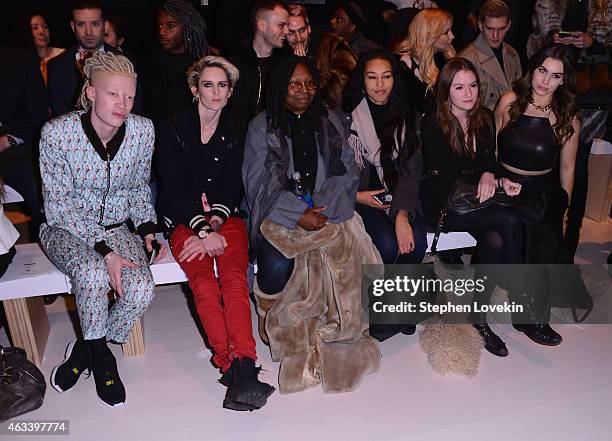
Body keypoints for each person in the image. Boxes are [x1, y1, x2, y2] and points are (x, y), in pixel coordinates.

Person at [243, 57, 381, 393]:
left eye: (309, 83)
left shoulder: (329, 119)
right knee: (276, 265)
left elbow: (348, 170)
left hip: (326, 210)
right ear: (280, 87)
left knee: (354, 256)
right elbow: (258, 181)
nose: (303, 91)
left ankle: (333, 324)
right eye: (294, 84)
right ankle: (271, 317)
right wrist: (297, 213)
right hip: (278, 215)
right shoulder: (262, 126)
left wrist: (325, 207)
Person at [40, 52, 166, 407]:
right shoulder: (57, 134)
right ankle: (105, 359)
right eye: (113, 94)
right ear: (92, 92)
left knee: (142, 289)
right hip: (65, 228)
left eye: (129, 95)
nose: (122, 104)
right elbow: (59, 206)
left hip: (116, 228)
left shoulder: (142, 130)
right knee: (93, 274)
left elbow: (139, 188)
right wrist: (106, 254)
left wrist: (147, 229)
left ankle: (87, 349)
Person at [156, 56, 275, 411]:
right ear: (195, 89)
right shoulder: (173, 126)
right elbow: (174, 187)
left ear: (231, 91)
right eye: (207, 84)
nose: (215, 91)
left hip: (226, 220)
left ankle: (241, 366)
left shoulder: (238, 127)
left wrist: (216, 225)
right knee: (205, 285)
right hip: (182, 222)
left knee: (235, 281)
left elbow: (232, 185)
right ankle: (234, 365)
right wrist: (202, 229)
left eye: (222, 85)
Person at [420, 57, 523, 356]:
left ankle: (478, 317)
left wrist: (495, 177)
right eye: (459, 87)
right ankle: (521, 295)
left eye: (473, 85)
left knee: (495, 238)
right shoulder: (432, 122)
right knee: (508, 219)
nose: (469, 93)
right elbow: (452, 172)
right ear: (446, 91)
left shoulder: (485, 118)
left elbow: (487, 160)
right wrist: (489, 178)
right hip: (444, 205)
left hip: (474, 199)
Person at [494, 45, 580, 345]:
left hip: (542, 190)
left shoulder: (567, 118)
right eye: (542, 71)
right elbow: (492, 150)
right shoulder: (509, 102)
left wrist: (564, 211)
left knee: (545, 237)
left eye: (555, 76)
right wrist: (497, 180)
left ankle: (531, 316)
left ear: (563, 81)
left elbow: (567, 168)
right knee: (523, 232)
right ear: (533, 68)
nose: (545, 81)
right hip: (505, 184)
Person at [526, 0, 611, 262]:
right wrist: (552, 41)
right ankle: (541, 245)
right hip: (552, 91)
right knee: (546, 170)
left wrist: (592, 44)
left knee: (578, 174)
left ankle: (567, 248)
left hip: (591, 99)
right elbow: (531, 46)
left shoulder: (606, 5)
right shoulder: (547, 2)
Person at [342, 50, 427, 266]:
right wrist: (358, 196)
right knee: (387, 246)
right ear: (362, 80)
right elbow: (334, 173)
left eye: (386, 76)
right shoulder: (344, 118)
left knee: (415, 244)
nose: (380, 84)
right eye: (372, 77)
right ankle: (377, 297)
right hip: (360, 197)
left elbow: (412, 171)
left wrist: (401, 214)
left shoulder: (408, 115)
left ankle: (404, 298)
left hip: (401, 193)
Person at [47, 0, 140, 117]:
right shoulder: (57, 66)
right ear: (72, 26)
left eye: (95, 24)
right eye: (81, 24)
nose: (88, 32)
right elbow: (59, 117)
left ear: (105, 26)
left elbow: (135, 112)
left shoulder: (127, 63)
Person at [0, 46, 49, 241]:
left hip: (14, 150)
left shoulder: (20, 60)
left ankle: (48, 245)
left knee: (38, 191)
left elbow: (39, 119)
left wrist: (8, 141)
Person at [141, 0, 210, 125]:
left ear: (187, 27)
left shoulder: (202, 65)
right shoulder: (149, 62)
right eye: (160, 26)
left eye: (170, 26)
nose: (162, 32)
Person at [230, 0, 289, 124]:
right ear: (262, 26)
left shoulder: (286, 63)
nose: (287, 31)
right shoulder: (234, 63)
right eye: (281, 25)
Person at [459, 0, 522, 110]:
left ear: (508, 25)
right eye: (490, 28)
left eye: (501, 29)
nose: (495, 35)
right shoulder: (466, 59)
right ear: (480, 25)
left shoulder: (513, 54)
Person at [394, 8, 456, 114]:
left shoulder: (441, 59)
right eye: (446, 32)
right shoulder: (405, 64)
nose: (452, 36)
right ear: (429, 35)